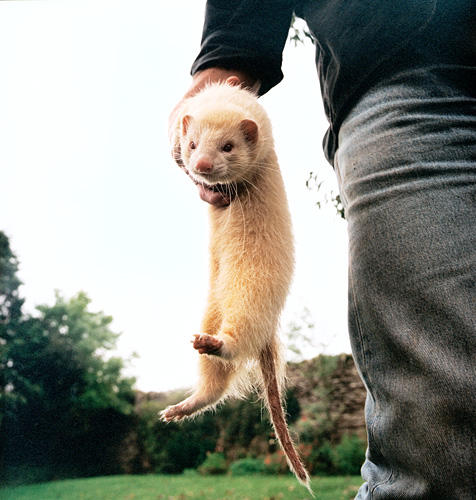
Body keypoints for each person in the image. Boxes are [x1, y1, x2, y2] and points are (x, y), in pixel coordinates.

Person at [168, 1, 476, 498]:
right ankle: (213, 379)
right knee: (447, 427)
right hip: (410, 66)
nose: (202, 161)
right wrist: (224, 60)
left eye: (223, 150)